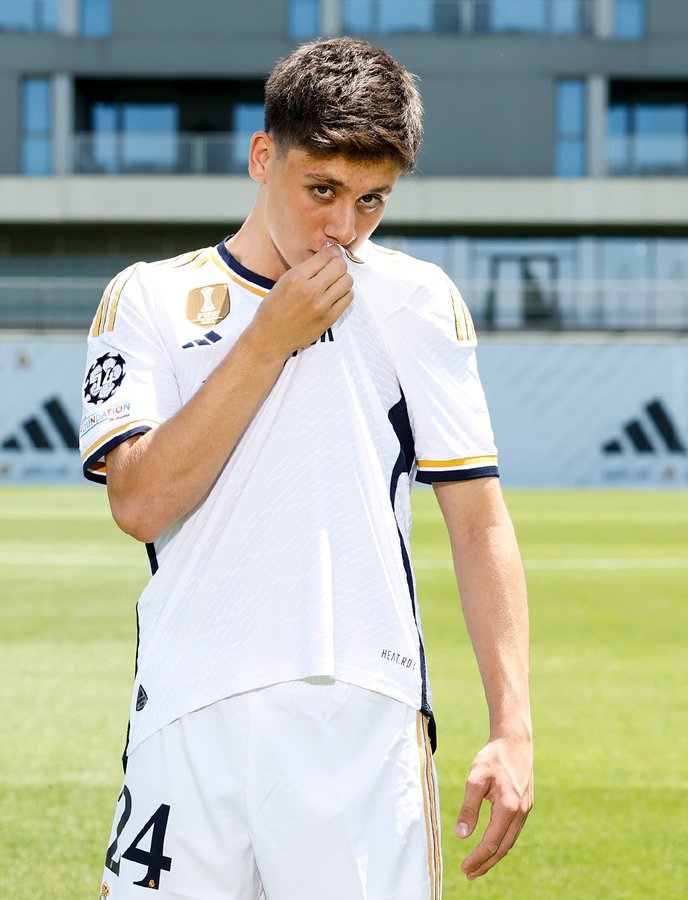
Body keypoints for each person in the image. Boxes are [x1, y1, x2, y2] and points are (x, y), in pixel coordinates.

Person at [80, 36, 532, 900]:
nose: (344, 227)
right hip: (189, 707)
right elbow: (139, 503)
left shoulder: (418, 300)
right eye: (321, 190)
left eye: (372, 201)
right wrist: (269, 337)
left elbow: (479, 520)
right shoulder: (150, 297)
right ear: (263, 157)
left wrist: (513, 727)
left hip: (360, 711)